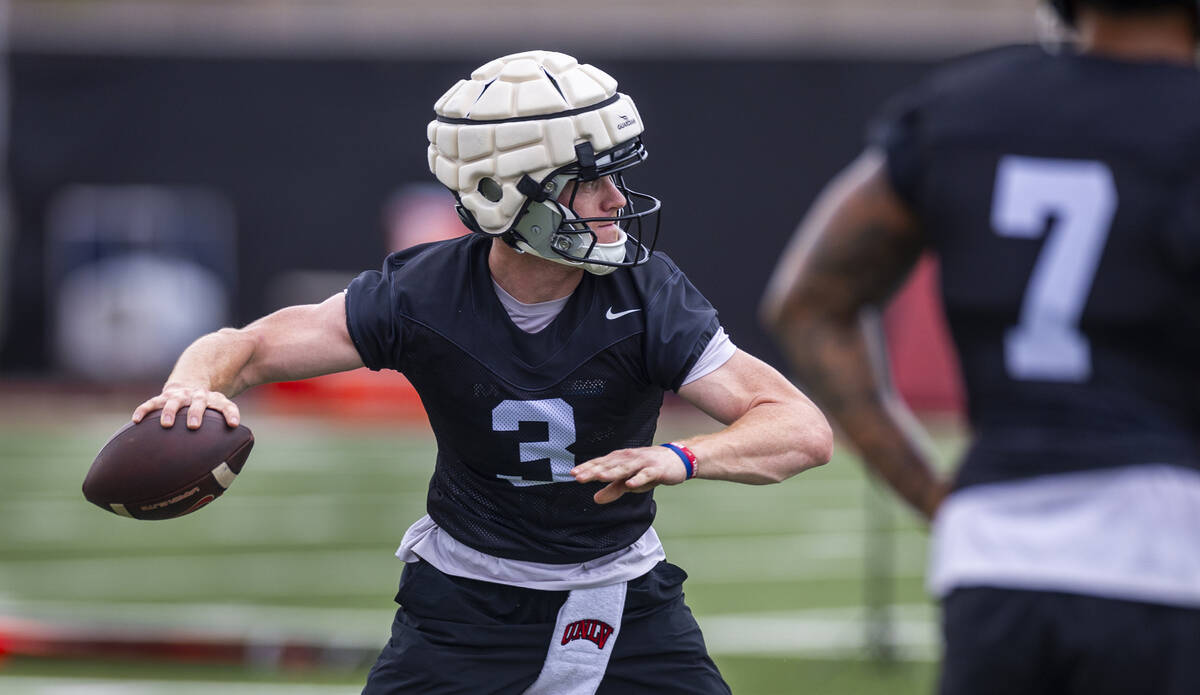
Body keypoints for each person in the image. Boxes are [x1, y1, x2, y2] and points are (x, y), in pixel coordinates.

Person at [133, 50, 832, 694]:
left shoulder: (646, 294)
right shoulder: (423, 292)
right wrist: (191, 385)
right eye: (590, 181)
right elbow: (246, 346)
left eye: (618, 175)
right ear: (509, 196)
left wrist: (684, 455)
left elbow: (800, 428)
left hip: (624, 593)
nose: (618, 200)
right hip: (463, 605)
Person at [761, 2, 1200, 694]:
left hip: (995, 559)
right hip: (1169, 562)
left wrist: (933, 492)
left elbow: (809, 301)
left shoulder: (963, 109)